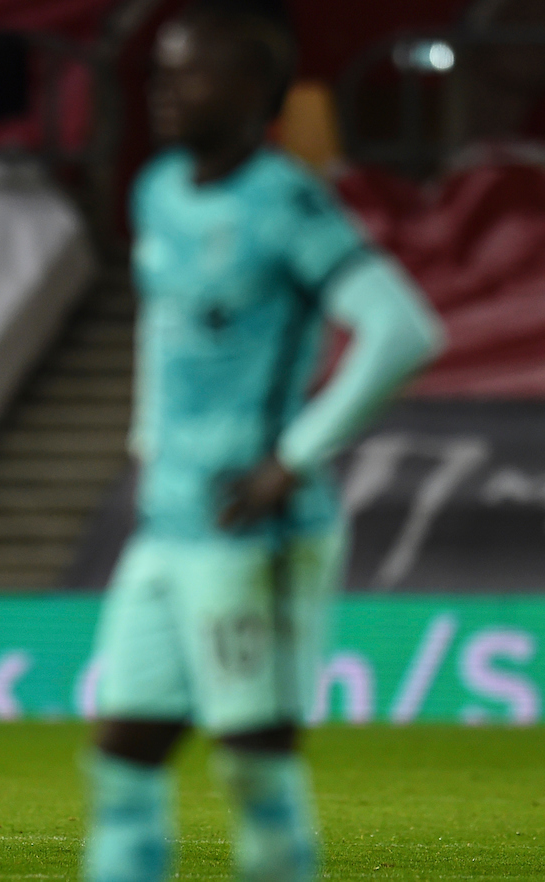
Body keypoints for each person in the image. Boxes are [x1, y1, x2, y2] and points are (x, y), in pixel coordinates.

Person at [84, 3, 445, 880]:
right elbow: (159, 320)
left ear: (254, 90)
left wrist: (295, 457)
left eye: (190, 72)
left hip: (256, 529)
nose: (165, 89)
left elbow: (401, 329)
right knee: (123, 752)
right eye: (160, 71)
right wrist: (144, 439)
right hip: (171, 520)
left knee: (253, 763)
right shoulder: (159, 189)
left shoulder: (287, 201)